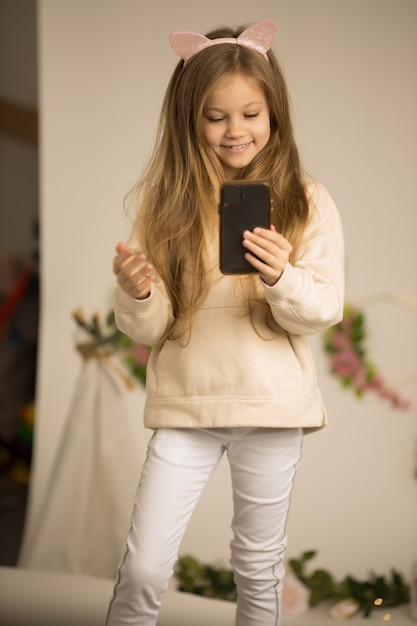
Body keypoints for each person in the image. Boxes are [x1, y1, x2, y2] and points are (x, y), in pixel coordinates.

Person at [107, 19, 344, 626]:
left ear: (274, 114)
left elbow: (322, 309)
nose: (235, 130)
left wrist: (281, 277)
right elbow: (149, 326)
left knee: (257, 570)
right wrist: (138, 292)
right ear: (190, 119)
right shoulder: (166, 203)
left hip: (270, 410)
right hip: (188, 407)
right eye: (216, 117)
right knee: (141, 570)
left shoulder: (307, 200)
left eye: (250, 113)